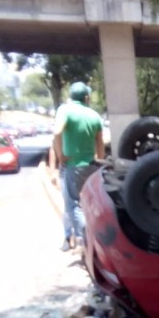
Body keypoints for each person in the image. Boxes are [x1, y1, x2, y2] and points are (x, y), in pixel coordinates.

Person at [52, 81, 104, 251]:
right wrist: (100, 161)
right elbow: (100, 142)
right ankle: (79, 238)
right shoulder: (94, 115)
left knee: (73, 205)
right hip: (91, 166)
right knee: (88, 204)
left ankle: (84, 241)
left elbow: (57, 132)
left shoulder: (64, 110)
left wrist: (61, 156)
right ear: (86, 97)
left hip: (72, 166)